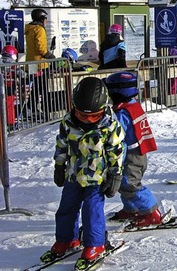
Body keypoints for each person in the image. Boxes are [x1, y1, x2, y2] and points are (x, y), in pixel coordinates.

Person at [39, 77, 124, 269]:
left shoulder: (109, 125)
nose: (87, 119)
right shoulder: (69, 122)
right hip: (73, 175)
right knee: (66, 208)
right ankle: (67, 239)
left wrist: (115, 175)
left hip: (97, 179)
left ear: (103, 108)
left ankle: (95, 244)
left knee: (91, 211)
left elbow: (116, 151)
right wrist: (59, 166)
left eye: (93, 116)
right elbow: (61, 144)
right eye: (82, 115)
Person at [104, 71, 162, 228]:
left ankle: (152, 213)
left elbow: (117, 134)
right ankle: (131, 209)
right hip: (136, 153)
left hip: (131, 155)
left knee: (130, 184)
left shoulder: (122, 113)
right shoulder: (132, 105)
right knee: (123, 184)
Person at [25, 8, 54, 119]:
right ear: (41, 18)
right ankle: (46, 112)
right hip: (40, 64)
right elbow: (41, 48)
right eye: (45, 18)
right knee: (42, 88)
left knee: (36, 87)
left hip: (31, 62)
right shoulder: (39, 29)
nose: (46, 21)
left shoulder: (29, 29)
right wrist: (49, 55)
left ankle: (31, 108)